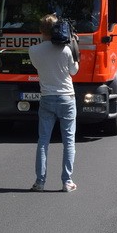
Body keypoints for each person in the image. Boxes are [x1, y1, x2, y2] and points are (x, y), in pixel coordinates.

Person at [28, 14, 80, 192]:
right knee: (69, 141)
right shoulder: (66, 49)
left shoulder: (33, 51)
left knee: (43, 141)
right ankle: (67, 182)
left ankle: (40, 182)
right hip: (67, 98)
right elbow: (74, 71)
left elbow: (39, 67)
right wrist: (74, 46)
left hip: (47, 98)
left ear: (41, 30)